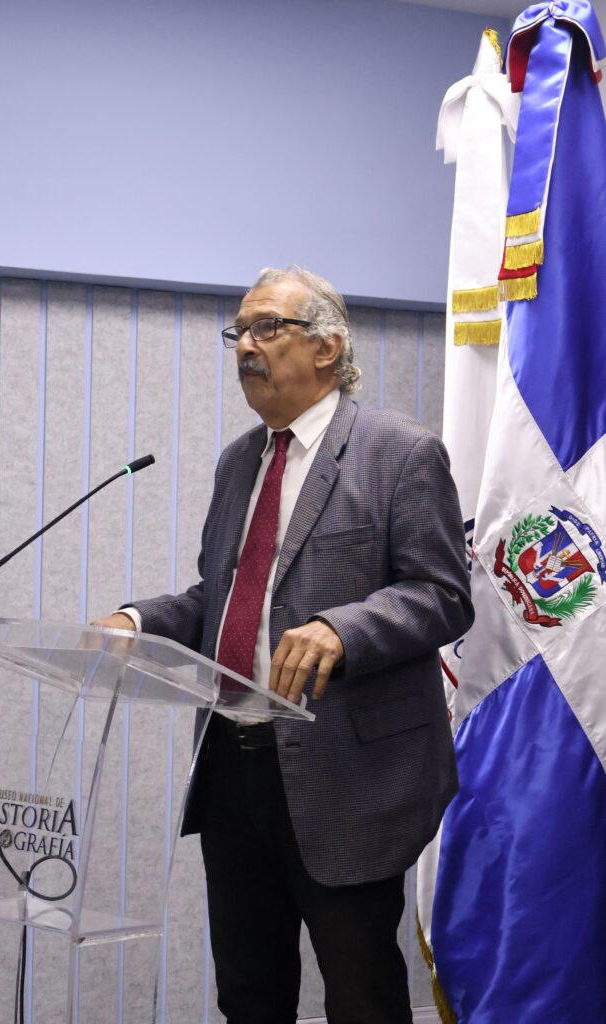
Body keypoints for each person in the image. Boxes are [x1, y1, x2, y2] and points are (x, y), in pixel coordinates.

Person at [93, 266, 473, 1024]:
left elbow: (443, 594)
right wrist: (137, 620)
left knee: (361, 998)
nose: (246, 345)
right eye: (239, 331)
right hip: (233, 768)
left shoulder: (400, 452)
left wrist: (343, 627)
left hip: (347, 775)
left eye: (266, 327)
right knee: (248, 994)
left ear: (326, 347)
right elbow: (223, 599)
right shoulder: (241, 460)